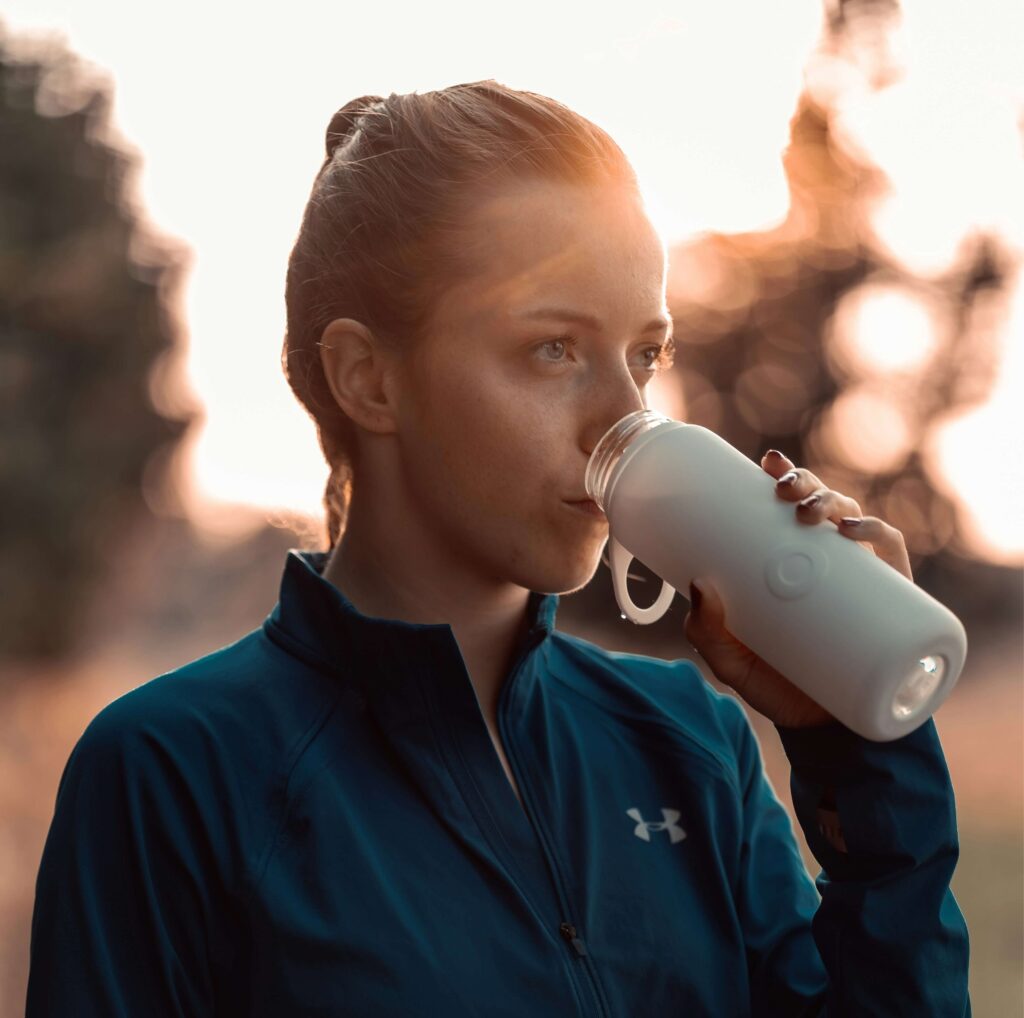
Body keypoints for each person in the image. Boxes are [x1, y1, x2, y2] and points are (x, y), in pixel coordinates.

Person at [26, 80, 971, 1016]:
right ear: (368, 379)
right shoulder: (173, 774)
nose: (624, 419)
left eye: (644, 356)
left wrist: (856, 747)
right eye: (553, 349)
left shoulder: (690, 741)